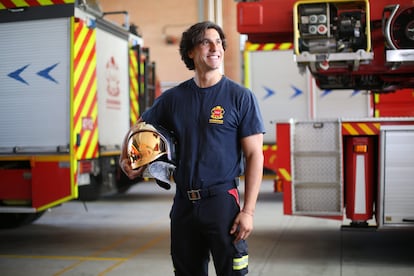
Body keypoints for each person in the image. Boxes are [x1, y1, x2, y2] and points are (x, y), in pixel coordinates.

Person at [120, 21, 264, 276]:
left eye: (218, 42)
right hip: (184, 205)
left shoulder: (240, 97)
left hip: (222, 203)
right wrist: (127, 158)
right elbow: (138, 127)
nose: (215, 47)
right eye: (206, 42)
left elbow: (254, 155)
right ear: (190, 52)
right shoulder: (173, 99)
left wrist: (248, 211)